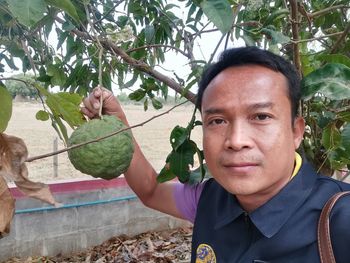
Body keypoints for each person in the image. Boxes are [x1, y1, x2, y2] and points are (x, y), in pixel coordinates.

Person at [82, 47, 350, 263]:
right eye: (218, 121)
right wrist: (117, 125)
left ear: (295, 131)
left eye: (261, 116)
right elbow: (150, 189)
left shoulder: (340, 221)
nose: (236, 141)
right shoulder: (210, 199)